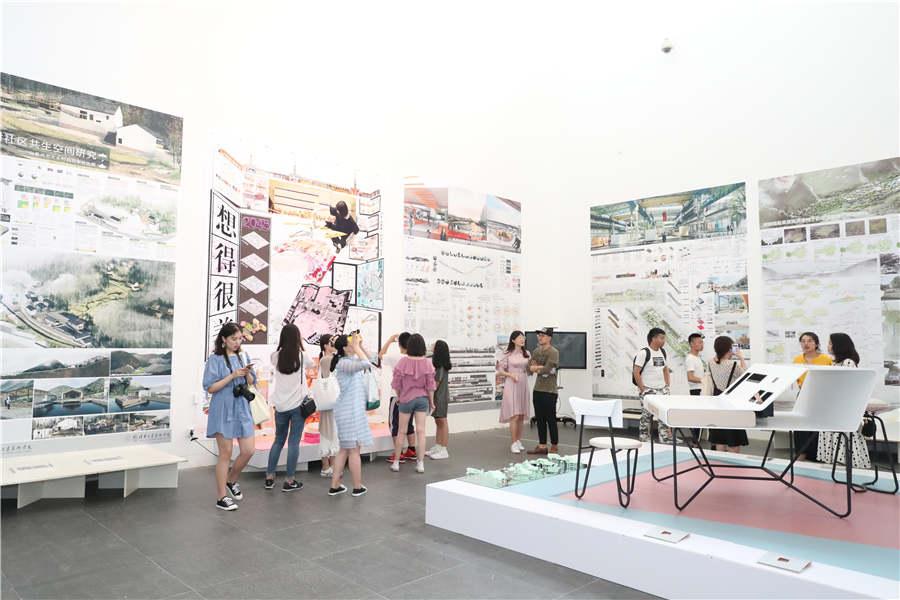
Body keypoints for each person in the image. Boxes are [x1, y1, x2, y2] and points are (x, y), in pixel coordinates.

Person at [203, 322, 258, 511]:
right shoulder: (215, 359)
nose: (237, 342)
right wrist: (232, 376)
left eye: (239, 338)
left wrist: (247, 374)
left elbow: (252, 381)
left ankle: (231, 480)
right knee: (225, 454)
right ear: (224, 339)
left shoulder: (243, 356)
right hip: (223, 409)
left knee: (249, 450)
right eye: (233, 339)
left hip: (242, 407)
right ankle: (221, 497)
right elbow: (210, 387)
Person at [264, 323, 315, 492]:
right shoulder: (302, 356)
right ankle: (290, 480)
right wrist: (302, 345)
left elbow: (277, 357)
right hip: (298, 407)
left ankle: (269, 477)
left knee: (278, 441)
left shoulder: (275, 356)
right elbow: (311, 365)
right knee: (294, 442)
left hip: (280, 406)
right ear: (297, 338)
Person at [329, 333, 374, 497]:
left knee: (344, 449)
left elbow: (371, 360)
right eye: (351, 344)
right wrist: (356, 347)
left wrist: (359, 346)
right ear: (345, 348)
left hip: (349, 411)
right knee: (354, 450)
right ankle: (357, 487)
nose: (354, 345)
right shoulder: (344, 363)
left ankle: (335, 485)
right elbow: (366, 363)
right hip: (349, 412)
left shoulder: (349, 361)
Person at [816, 333, 871, 469]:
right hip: (833, 406)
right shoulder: (836, 363)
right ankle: (834, 462)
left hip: (842, 408)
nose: (828, 346)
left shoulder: (848, 363)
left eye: (830, 343)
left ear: (838, 345)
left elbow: (848, 386)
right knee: (833, 434)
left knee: (843, 436)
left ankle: (845, 462)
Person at [390, 333, 436, 473]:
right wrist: (432, 402)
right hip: (422, 399)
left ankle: (396, 463)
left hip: (406, 399)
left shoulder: (402, 362)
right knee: (421, 431)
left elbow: (396, 384)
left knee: (401, 431)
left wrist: (399, 396)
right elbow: (430, 386)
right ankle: (420, 464)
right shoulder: (427, 363)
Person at [792, 331, 833, 460]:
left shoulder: (826, 359)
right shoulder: (797, 360)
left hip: (821, 396)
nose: (806, 344)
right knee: (800, 425)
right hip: (803, 394)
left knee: (817, 425)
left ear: (816, 343)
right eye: (803, 341)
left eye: (810, 341)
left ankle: (816, 455)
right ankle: (801, 453)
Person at [379, 332, 417, 463]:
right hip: (412, 396)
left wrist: (390, 339)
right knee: (409, 423)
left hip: (397, 396)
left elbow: (380, 355)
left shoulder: (396, 357)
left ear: (400, 344)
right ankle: (412, 450)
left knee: (394, 424)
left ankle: (398, 453)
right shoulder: (415, 358)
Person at [707, 336, 749, 452]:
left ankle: (719, 462)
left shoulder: (710, 362)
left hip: (717, 403)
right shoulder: (732, 365)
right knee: (733, 441)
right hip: (731, 404)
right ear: (729, 349)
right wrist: (741, 357)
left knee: (720, 440)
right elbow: (746, 376)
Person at [632, 327, 672, 443]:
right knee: (646, 416)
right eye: (661, 338)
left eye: (664, 338)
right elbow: (636, 372)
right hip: (648, 389)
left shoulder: (662, 352)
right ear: (653, 339)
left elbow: (665, 369)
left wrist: (667, 385)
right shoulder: (644, 353)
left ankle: (664, 437)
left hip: (662, 389)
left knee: (664, 414)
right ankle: (645, 438)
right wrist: (643, 389)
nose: (664, 341)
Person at [497, 330, 531, 453]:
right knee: (514, 414)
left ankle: (518, 440)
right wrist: (510, 375)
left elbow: (529, 368)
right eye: (520, 337)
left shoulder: (527, 353)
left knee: (521, 415)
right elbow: (500, 370)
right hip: (512, 384)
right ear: (513, 340)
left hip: (523, 383)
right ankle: (513, 442)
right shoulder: (507, 354)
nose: (522, 339)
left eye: (523, 337)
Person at [527, 328, 560, 455]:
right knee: (540, 419)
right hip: (538, 389)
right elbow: (529, 368)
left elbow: (549, 369)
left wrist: (538, 368)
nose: (540, 337)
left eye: (543, 335)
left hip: (550, 391)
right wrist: (539, 368)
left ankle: (554, 445)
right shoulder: (536, 351)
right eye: (539, 335)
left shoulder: (554, 352)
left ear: (549, 337)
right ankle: (542, 446)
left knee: (551, 419)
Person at [317, 334, 340, 478]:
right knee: (328, 433)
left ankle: (330, 466)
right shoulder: (326, 360)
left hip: (331, 401)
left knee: (331, 433)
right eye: (332, 342)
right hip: (330, 401)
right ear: (325, 345)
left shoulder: (328, 359)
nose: (334, 345)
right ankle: (327, 466)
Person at [426, 339, 452, 460]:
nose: (431, 346)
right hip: (438, 397)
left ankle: (444, 449)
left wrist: (428, 392)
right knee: (438, 422)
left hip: (440, 397)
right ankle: (438, 446)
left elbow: (436, 383)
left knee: (442, 421)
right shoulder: (438, 365)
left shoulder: (440, 367)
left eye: (434, 345)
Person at [684, 333, 706, 441]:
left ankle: (696, 440)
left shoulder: (697, 358)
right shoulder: (690, 359)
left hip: (700, 389)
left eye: (702, 342)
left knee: (700, 416)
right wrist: (704, 380)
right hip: (696, 390)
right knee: (697, 417)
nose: (702, 344)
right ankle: (695, 441)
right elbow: (690, 377)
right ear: (692, 344)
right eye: (699, 342)